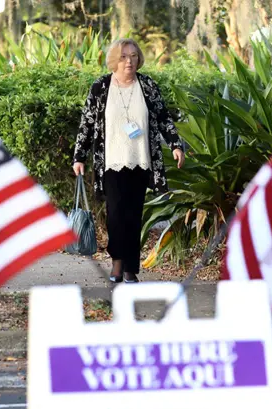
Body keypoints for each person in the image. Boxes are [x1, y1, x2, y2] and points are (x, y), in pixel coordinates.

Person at [73, 38, 185, 284]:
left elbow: (163, 116)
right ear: (114, 59)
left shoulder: (147, 85)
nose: (129, 61)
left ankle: (130, 268)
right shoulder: (101, 86)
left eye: (134, 56)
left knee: (133, 215)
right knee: (115, 214)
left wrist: (176, 145)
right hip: (111, 162)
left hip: (140, 161)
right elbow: (87, 123)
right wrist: (79, 156)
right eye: (124, 56)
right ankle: (117, 262)